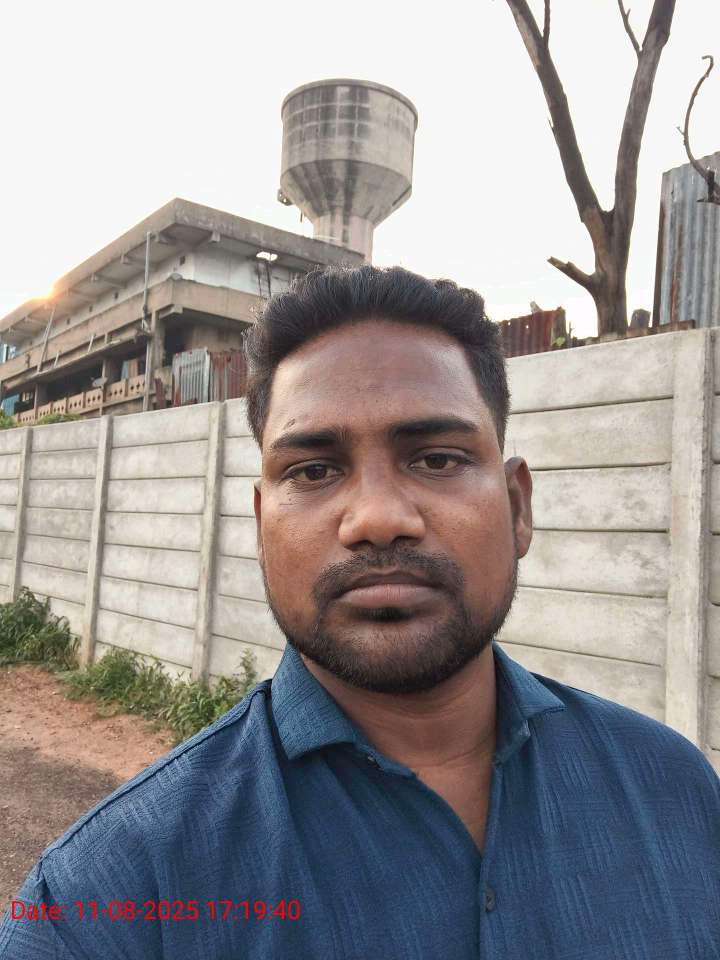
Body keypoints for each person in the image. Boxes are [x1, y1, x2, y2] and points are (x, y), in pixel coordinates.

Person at [1, 264, 718, 960]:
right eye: (314, 470)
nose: (377, 518)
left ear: (517, 507)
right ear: (261, 527)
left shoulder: (677, 792)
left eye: (436, 459)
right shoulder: (108, 901)